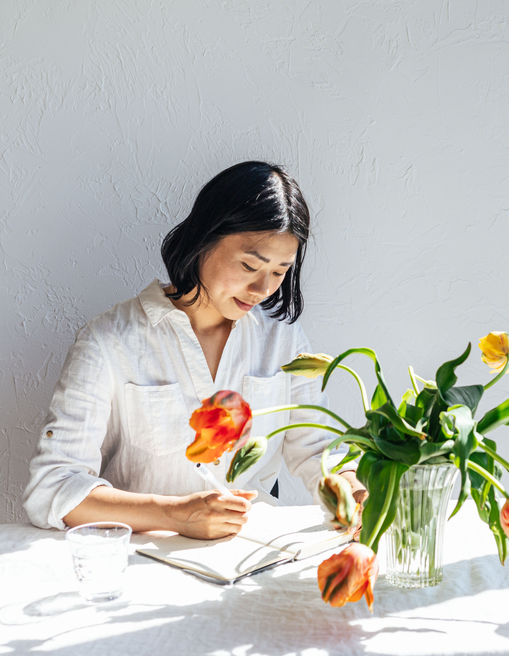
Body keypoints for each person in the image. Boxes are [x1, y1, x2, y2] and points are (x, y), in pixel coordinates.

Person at [23, 161, 365, 539]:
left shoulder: (282, 341)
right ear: (203, 240)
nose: (262, 289)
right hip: (143, 565)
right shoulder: (109, 341)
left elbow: (316, 449)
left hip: (250, 558)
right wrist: (174, 515)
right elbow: (52, 487)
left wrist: (350, 486)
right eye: (250, 265)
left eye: (280, 271)